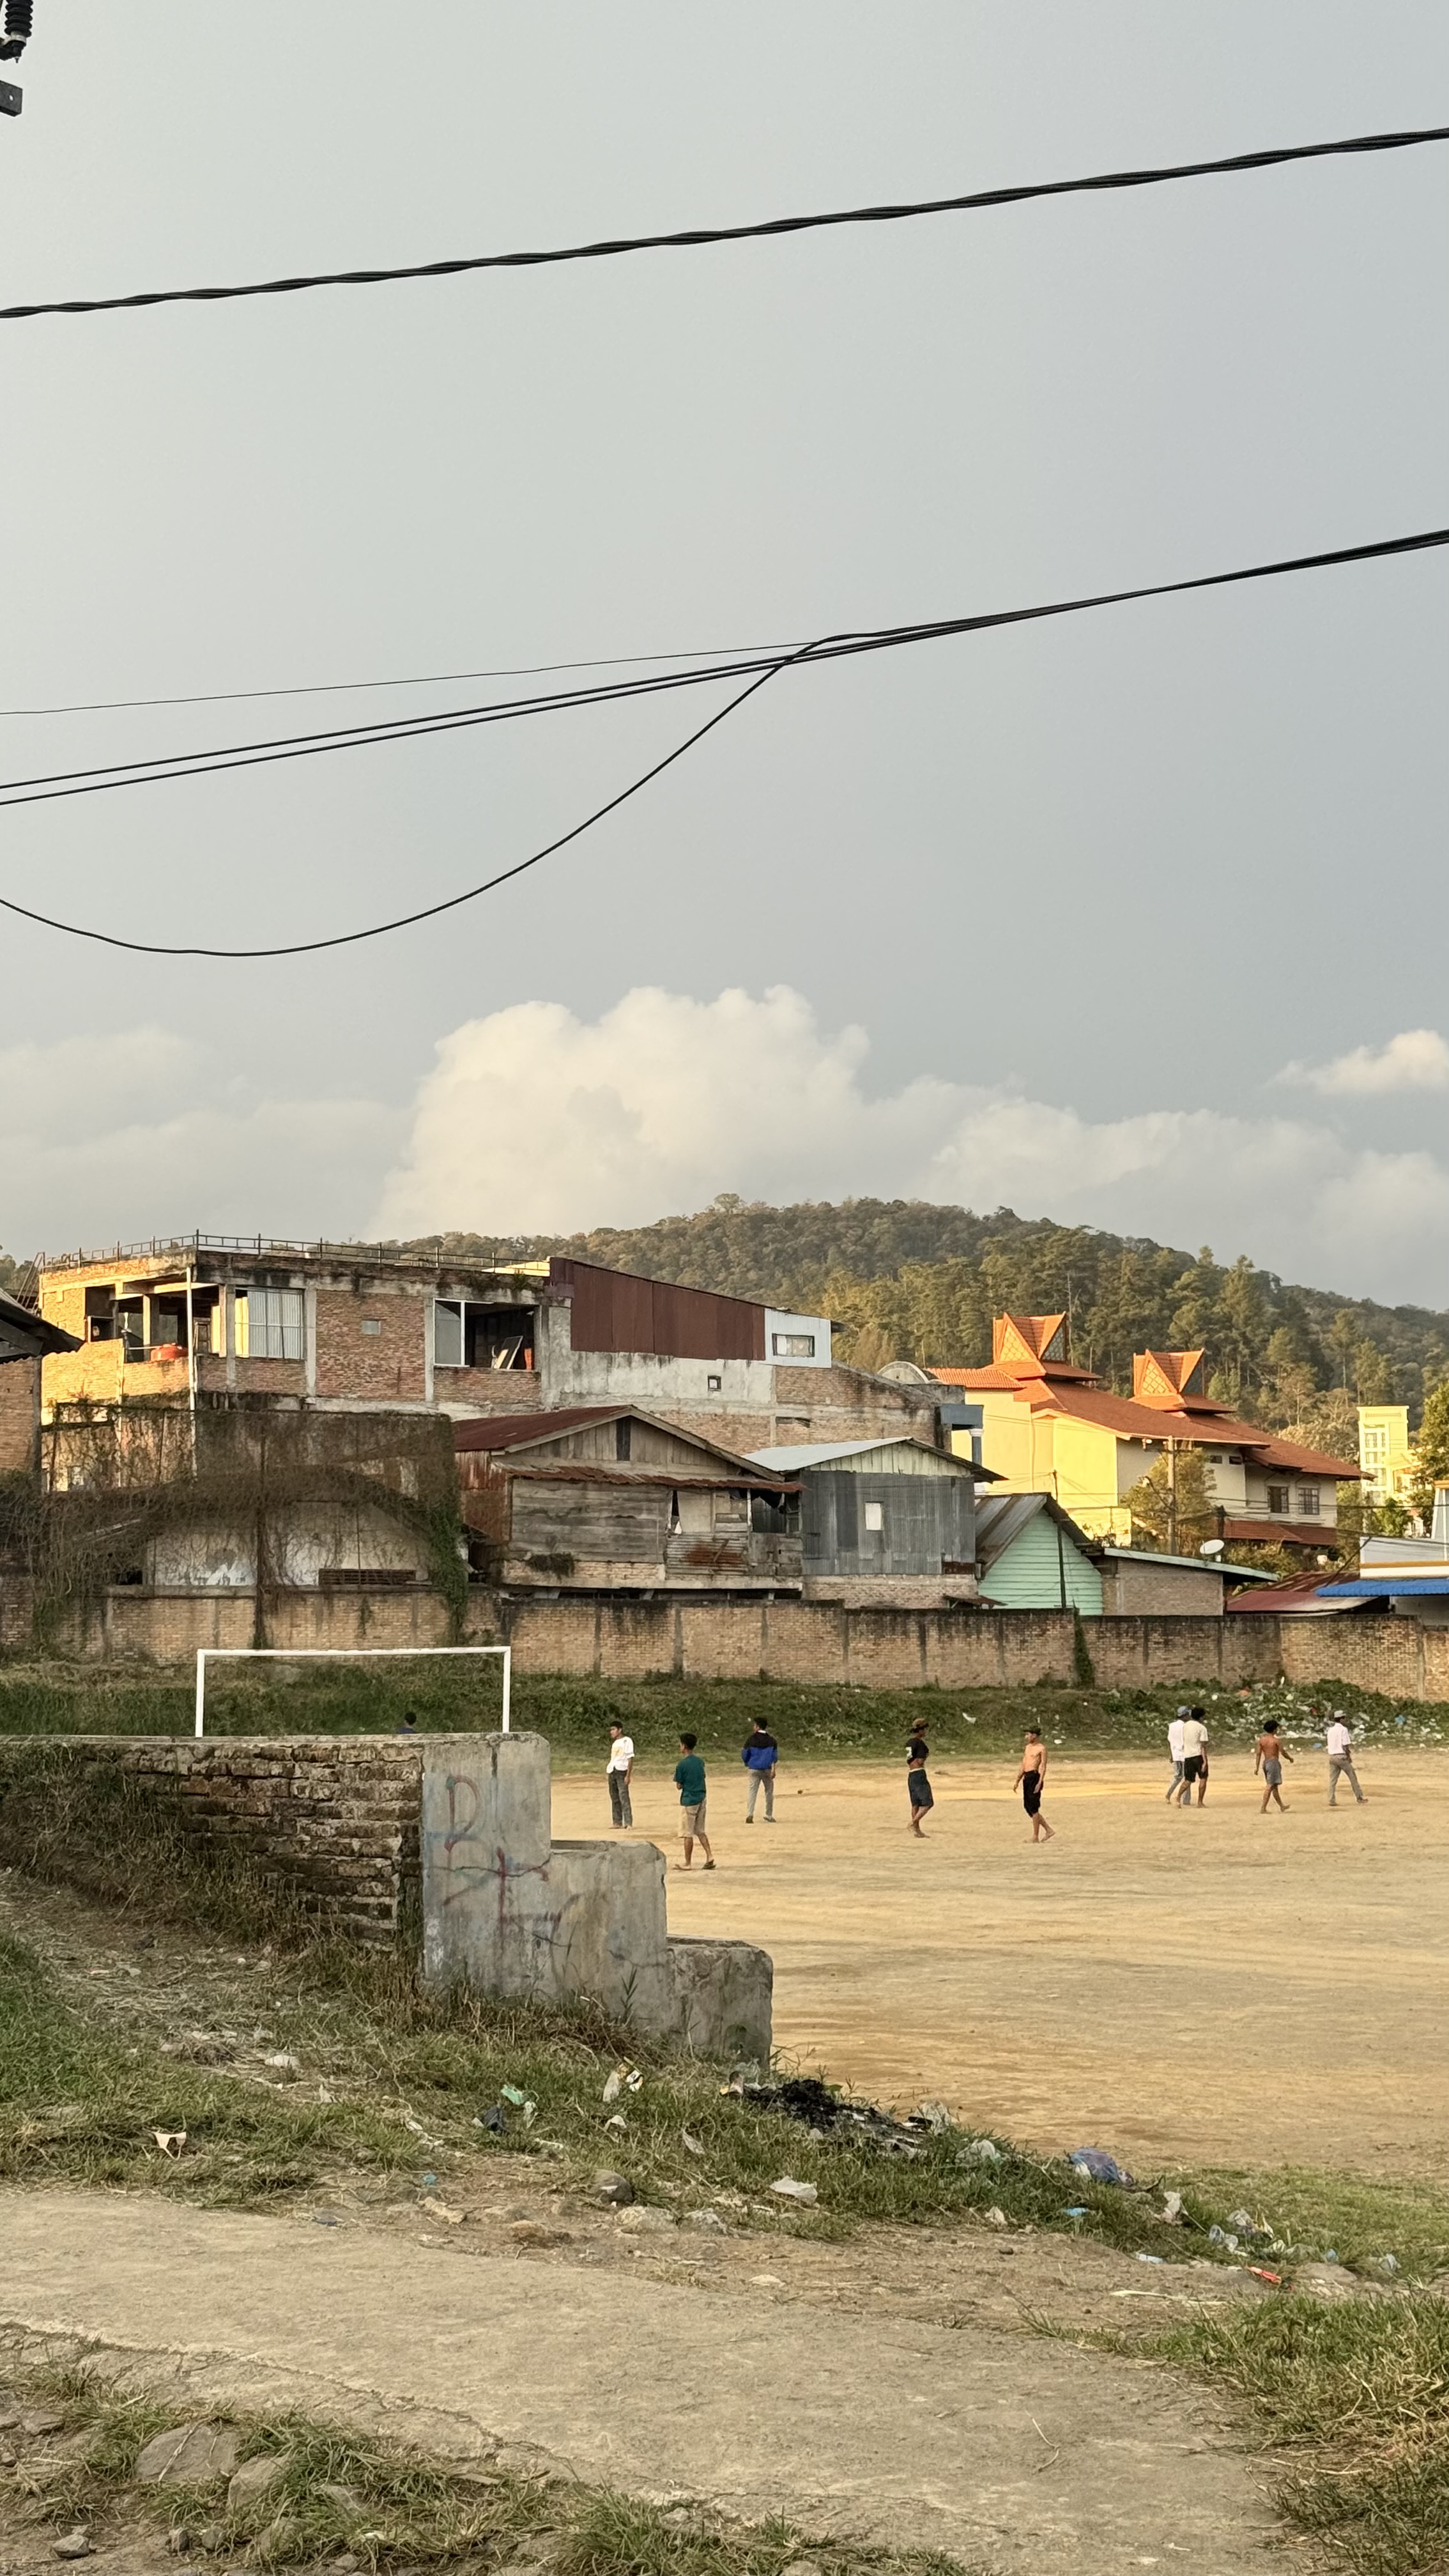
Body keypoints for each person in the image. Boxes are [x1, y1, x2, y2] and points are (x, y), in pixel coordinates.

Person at [673, 1732, 715, 1869]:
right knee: (700, 1830)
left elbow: (679, 1785)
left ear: (684, 1746)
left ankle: (688, 1862)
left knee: (687, 1833)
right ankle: (709, 1856)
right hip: (701, 1797)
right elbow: (702, 1776)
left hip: (689, 1800)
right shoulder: (699, 1762)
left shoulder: (682, 1765)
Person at [1014, 1728, 1055, 1842]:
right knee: (1028, 1807)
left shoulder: (1041, 1749)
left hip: (1034, 1777)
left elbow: (1043, 1766)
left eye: (1028, 1735)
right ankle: (1049, 1830)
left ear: (1034, 1735)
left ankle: (1035, 1836)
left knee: (1034, 1807)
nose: (1026, 1737)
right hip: (1027, 1777)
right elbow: (1024, 1764)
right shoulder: (1028, 1748)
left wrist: (1040, 1782)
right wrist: (1018, 1780)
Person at [1326, 1710, 1366, 1807]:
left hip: (1332, 1757)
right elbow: (1345, 1745)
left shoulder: (1330, 1730)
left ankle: (1331, 1799)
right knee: (1352, 1777)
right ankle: (1359, 1797)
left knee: (1333, 1780)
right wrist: (1349, 1756)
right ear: (1341, 1719)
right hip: (1342, 1756)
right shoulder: (1344, 1730)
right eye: (1344, 1719)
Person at [742, 1719, 779, 1821]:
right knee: (769, 1792)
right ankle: (769, 1815)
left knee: (752, 1791)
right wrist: (774, 1769)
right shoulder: (772, 1740)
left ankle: (750, 1814)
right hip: (767, 1769)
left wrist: (747, 1762)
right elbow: (774, 1757)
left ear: (758, 1727)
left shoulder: (751, 1739)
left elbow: (745, 1753)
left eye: (755, 1725)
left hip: (754, 1768)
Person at [1255, 1716, 1294, 1813]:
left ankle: (1281, 1806)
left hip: (1266, 1763)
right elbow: (1283, 1752)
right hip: (1273, 1763)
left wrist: (1257, 1767)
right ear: (1274, 1730)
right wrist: (1290, 1759)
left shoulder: (1262, 1740)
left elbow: (1258, 1754)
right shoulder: (1276, 1741)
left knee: (1274, 1786)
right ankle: (1263, 1808)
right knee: (1270, 1786)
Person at [606, 1719, 634, 1830]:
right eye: (611, 1730)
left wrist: (628, 1775)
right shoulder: (615, 1743)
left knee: (624, 1797)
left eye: (614, 1729)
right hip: (613, 1770)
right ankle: (617, 1821)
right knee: (615, 1797)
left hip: (622, 1771)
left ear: (620, 1730)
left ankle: (628, 1822)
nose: (612, 1732)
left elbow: (630, 1758)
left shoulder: (627, 1741)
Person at [906, 1722, 933, 1836]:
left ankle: (917, 1831)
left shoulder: (910, 1742)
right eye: (924, 1730)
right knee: (928, 1803)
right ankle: (913, 1823)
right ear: (920, 1730)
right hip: (919, 1773)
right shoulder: (920, 1743)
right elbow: (920, 1761)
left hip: (911, 1774)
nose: (925, 1732)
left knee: (915, 1804)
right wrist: (926, 1755)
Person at [1177, 1707, 1208, 1807]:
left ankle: (1178, 1798)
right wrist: (1205, 1762)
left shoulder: (1186, 1726)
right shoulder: (1202, 1728)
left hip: (1188, 1756)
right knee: (1203, 1778)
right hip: (1198, 1756)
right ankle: (1200, 1802)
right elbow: (1203, 1746)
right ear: (1201, 1717)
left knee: (1188, 1780)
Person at [1165, 1706, 1188, 1803]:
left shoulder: (1172, 1725)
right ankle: (1186, 1800)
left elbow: (1169, 1740)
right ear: (1185, 1715)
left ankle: (1168, 1794)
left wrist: (1171, 1755)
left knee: (1177, 1776)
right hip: (1185, 1754)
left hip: (1175, 1755)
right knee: (1187, 1778)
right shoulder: (1185, 1726)